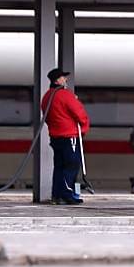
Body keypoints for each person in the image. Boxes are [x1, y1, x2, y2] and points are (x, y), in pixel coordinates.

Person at [41, 68, 90, 205]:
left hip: (55, 137)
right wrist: (84, 127)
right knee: (71, 164)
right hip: (70, 136)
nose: (65, 79)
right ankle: (67, 194)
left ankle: (56, 195)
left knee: (59, 166)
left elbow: (46, 117)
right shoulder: (65, 95)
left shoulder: (46, 97)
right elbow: (79, 113)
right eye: (63, 77)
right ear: (57, 80)